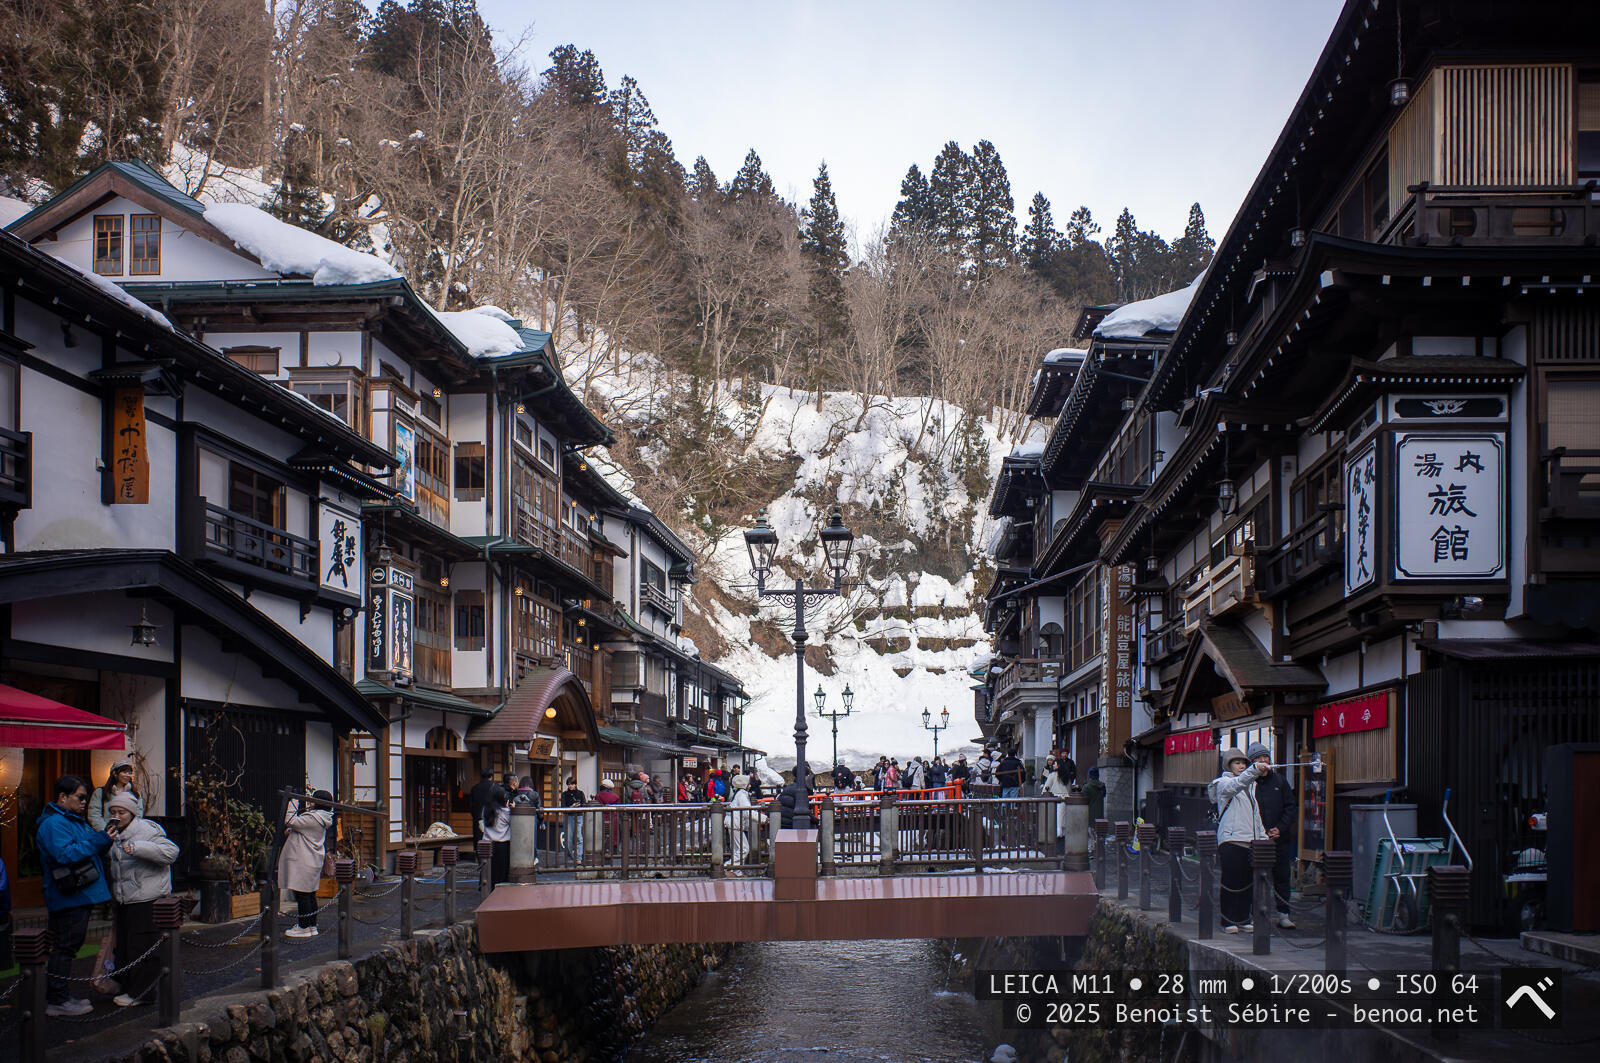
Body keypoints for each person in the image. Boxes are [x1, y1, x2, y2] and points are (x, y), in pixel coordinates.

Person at [36, 775, 114, 1016]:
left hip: (77, 894)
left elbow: (85, 847)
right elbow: (65, 854)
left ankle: (60, 996)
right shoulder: (53, 823)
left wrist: (104, 839)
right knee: (64, 947)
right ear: (62, 797)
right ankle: (57, 1000)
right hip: (68, 896)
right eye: (80, 797)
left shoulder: (71, 821)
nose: (84, 802)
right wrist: (100, 839)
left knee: (67, 946)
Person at [104, 792, 178, 1007]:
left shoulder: (147, 829)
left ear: (132, 813)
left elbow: (171, 853)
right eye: (113, 811)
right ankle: (129, 988)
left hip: (147, 897)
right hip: (125, 899)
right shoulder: (113, 831)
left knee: (143, 946)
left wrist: (138, 848)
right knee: (126, 947)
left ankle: (142, 993)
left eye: (122, 812)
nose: (117, 815)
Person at [1210, 748, 1268, 933]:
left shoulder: (1251, 787)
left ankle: (1243, 918)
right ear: (1229, 765)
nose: (1241, 766)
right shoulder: (1223, 783)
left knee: (1246, 882)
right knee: (1231, 881)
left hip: (1250, 841)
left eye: (1243, 763)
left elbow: (1255, 815)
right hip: (1231, 839)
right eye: (1237, 763)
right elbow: (1236, 785)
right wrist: (1254, 770)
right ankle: (1227, 920)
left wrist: (1263, 838)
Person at [1251, 744, 1297, 928]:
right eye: (1258, 758)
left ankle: (1283, 914)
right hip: (1255, 838)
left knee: (1282, 876)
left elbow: (1290, 807)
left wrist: (1281, 828)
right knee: (1255, 876)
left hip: (1280, 837)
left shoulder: (1279, 781)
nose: (1263, 761)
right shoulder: (1249, 782)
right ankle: (1255, 914)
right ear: (1252, 762)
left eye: (1265, 757)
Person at [280, 791, 333, 938]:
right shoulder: (323, 818)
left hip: (303, 861)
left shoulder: (313, 817)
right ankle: (311, 926)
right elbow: (303, 830)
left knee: (302, 894)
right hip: (312, 861)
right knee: (309, 894)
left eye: (312, 800)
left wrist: (293, 802)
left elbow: (290, 820)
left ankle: (303, 927)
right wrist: (293, 831)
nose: (310, 802)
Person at [88, 760, 141, 832]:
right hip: (106, 833)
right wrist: (105, 831)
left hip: (129, 833)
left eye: (130, 773)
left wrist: (130, 830)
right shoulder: (101, 792)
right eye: (124, 772)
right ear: (115, 773)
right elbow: (94, 814)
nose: (128, 775)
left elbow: (138, 813)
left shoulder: (135, 793)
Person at [482, 785, 512, 886]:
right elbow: (514, 823)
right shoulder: (505, 812)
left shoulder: (485, 810)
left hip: (487, 845)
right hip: (502, 845)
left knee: (490, 872)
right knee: (501, 874)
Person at [728, 774, 757, 869]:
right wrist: (764, 819)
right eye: (748, 784)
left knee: (738, 849)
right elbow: (747, 812)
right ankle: (729, 867)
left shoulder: (739, 794)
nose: (750, 786)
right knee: (744, 848)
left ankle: (736, 870)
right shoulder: (742, 796)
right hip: (736, 824)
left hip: (733, 823)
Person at [560, 776, 586, 863]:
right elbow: (562, 807)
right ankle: (570, 856)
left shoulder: (580, 793)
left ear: (575, 784)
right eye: (569, 784)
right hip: (569, 816)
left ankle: (579, 857)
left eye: (572, 784)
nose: (571, 786)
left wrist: (579, 805)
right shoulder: (564, 794)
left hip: (579, 815)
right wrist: (570, 807)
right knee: (569, 837)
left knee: (579, 837)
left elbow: (584, 804)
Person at [468, 770, 495, 852]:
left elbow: (471, 805)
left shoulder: (475, 788)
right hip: (492, 817)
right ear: (491, 777)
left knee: (479, 838)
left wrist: (475, 816)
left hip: (478, 817)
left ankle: (479, 857)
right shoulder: (495, 787)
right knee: (491, 837)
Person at [594, 778, 621, 850]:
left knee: (602, 832)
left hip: (601, 816)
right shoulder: (616, 797)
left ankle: (601, 847)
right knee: (614, 833)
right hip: (613, 816)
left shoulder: (598, 796)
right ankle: (614, 848)